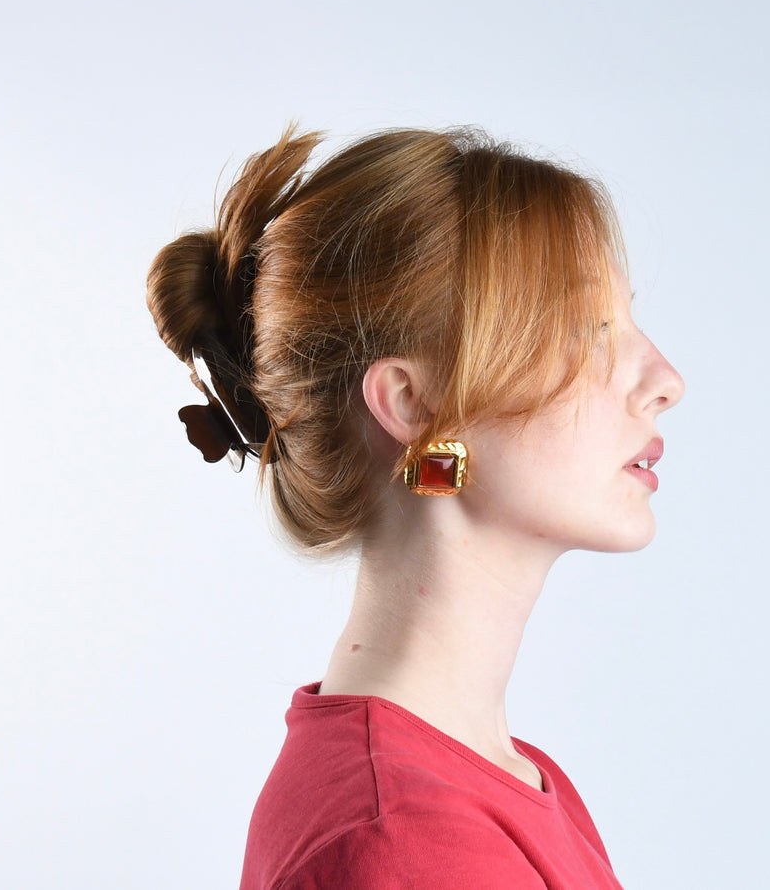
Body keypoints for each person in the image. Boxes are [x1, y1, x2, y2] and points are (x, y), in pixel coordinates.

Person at [146, 126, 684, 889]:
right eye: (584, 330)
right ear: (414, 404)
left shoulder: (495, 781)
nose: (664, 379)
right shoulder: (408, 836)